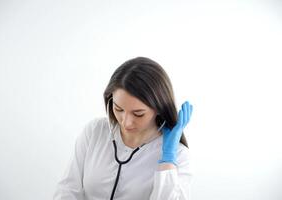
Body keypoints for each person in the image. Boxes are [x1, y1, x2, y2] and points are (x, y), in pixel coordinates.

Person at [53, 57, 193, 200]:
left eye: (138, 114)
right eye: (118, 109)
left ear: (159, 108)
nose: (126, 123)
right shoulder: (94, 131)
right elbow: (67, 189)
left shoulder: (178, 155)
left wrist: (168, 162)